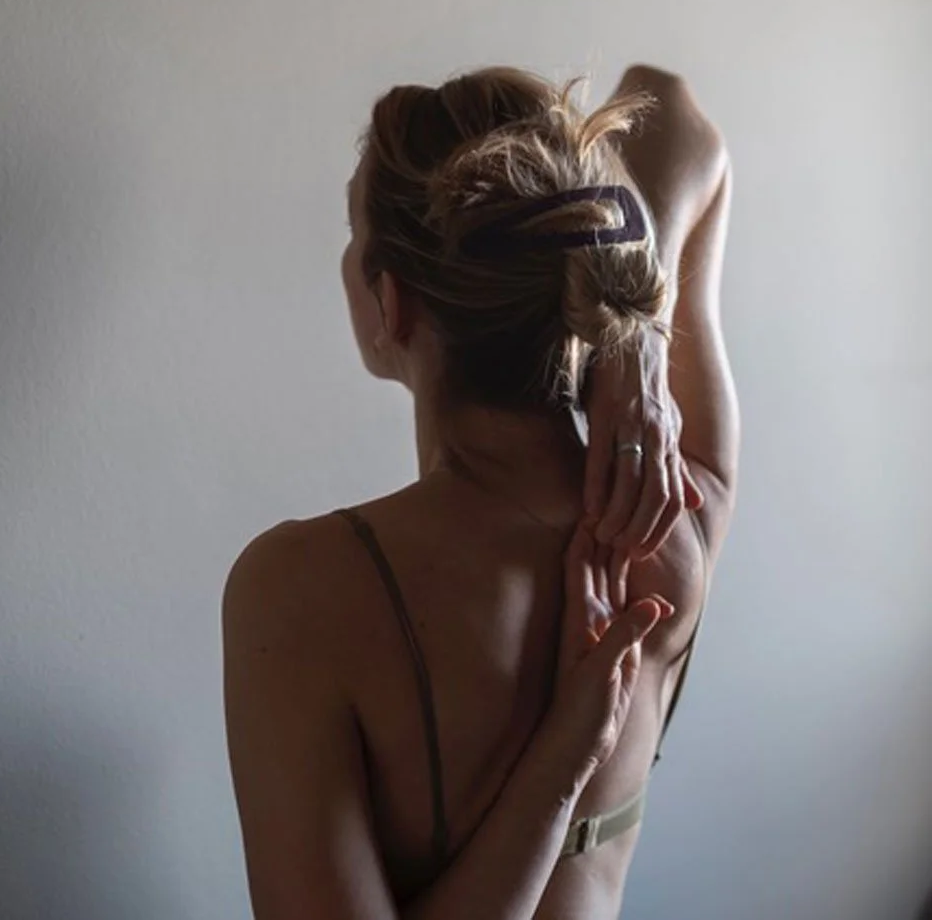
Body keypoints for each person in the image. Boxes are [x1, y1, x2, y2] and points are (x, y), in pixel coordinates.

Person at [222, 63, 739, 919]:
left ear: (391, 302)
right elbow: (678, 116)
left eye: (354, 239)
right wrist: (636, 341)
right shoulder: (674, 520)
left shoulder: (303, 590)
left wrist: (559, 770)